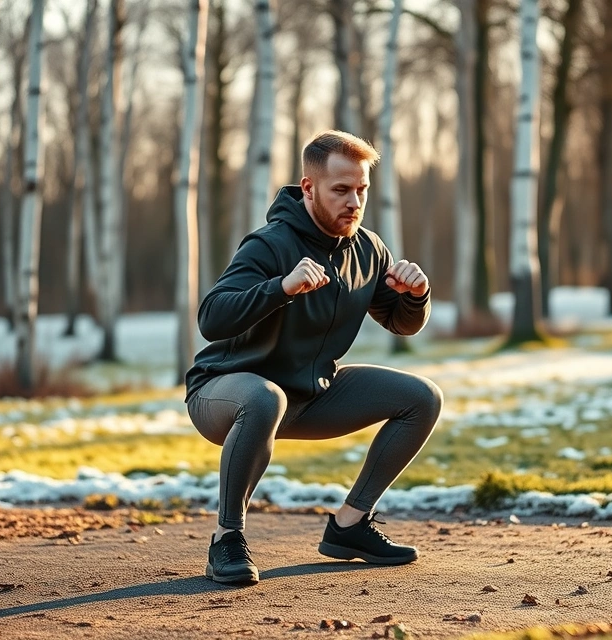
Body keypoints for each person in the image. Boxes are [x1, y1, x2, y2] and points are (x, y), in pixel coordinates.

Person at [184, 130, 443, 585]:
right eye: (340, 190)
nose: (353, 201)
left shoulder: (367, 249)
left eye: (361, 189)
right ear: (309, 188)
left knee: (422, 397)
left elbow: (401, 323)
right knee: (264, 398)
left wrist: (417, 294)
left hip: (308, 395)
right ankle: (227, 538)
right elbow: (211, 317)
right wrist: (280, 288)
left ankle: (350, 526)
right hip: (226, 392)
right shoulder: (269, 245)